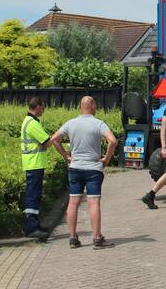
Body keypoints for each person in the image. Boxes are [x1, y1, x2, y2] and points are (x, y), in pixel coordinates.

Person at [50, 96, 117, 249]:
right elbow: (112, 141)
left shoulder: (71, 123)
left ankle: (73, 238)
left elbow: (54, 139)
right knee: (93, 202)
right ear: (92, 105)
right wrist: (106, 159)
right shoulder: (98, 123)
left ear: (81, 107)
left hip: (75, 168)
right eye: (95, 104)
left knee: (73, 202)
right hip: (93, 169)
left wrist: (66, 156)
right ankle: (97, 239)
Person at [20, 96, 53, 241]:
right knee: (32, 196)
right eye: (43, 107)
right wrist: (50, 140)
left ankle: (35, 225)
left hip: (34, 164)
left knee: (35, 195)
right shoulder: (32, 123)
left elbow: (44, 142)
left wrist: (44, 143)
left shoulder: (30, 122)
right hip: (34, 164)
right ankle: (31, 228)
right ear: (37, 106)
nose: (44, 110)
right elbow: (47, 141)